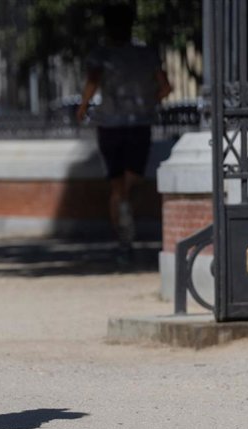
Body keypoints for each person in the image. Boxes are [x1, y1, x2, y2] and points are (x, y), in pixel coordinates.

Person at [76, 4, 171, 264]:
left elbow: (92, 83)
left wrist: (83, 108)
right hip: (139, 123)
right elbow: (165, 87)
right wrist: (148, 102)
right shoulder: (146, 54)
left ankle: (123, 238)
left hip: (110, 125)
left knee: (117, 185)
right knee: (132, 179)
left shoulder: (101, 55)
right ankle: (125, 219)